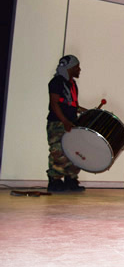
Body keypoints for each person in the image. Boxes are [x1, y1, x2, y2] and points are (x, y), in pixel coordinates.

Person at [46, 55, 86, 192]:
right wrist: (64, 121)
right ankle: (55, 181)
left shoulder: (72, 84)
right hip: (58, 123)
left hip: (70, 123)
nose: (79, 69)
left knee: (74, 151)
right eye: (77, 67)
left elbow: (71, 104)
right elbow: (54, 103)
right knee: (58, 152)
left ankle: (71, 179)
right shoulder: (56, 82)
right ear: (70, 68)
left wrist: (86, 112)